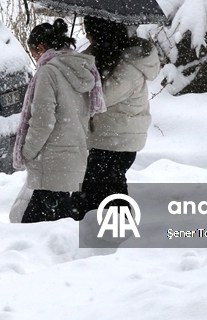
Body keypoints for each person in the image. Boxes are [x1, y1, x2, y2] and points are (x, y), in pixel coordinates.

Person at [11, 19, 105, 223]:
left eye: (34, 53)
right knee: (61, 220)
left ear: (41, 47)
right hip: (74, 154)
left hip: (50, 159)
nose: (35, 58)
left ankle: (75, 251)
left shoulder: (49, 72)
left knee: (35, 226)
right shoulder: (82, 68)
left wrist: (27, 151)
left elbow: (43, 121)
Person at [77, 15, 161, 215]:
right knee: (105, 188)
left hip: (118, 138)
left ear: (97, 33)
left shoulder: (127, 65)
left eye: (88, 31)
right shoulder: (106, 55)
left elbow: (100, 98)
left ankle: (116, 232)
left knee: (101, 190)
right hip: (107, 137)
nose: (86, 35)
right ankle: (111, 232)